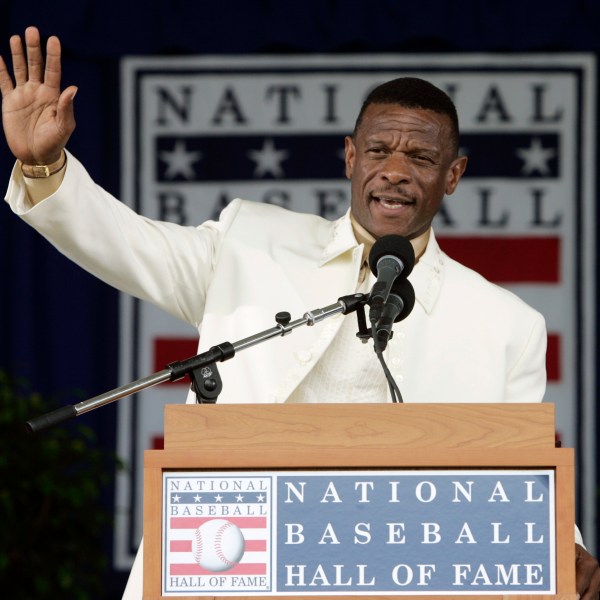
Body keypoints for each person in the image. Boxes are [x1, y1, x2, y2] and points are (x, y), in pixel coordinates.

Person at [1, 26, 599, 599]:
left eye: (420, 156)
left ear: (453, 175)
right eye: (379, 150)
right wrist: (44, 169)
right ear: (349, 157)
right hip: (228, 561)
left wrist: (565, 547)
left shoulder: (503, 323)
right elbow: (127, 244)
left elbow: (526, 470)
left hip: (395, 574)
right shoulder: (249, 241)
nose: (394, 169)